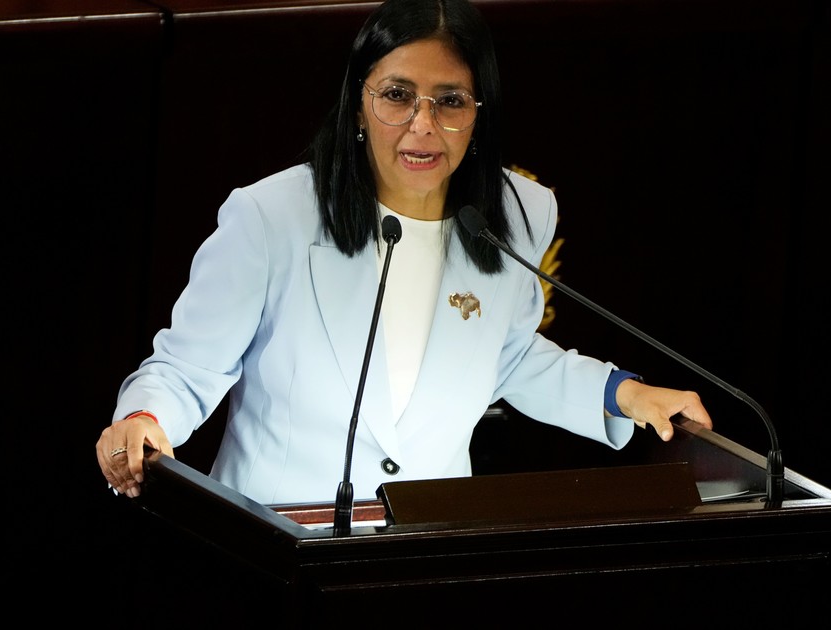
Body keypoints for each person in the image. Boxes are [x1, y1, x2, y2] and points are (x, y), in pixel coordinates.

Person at [97, 0, 712, 506]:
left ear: (478, 113)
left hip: (422, 546)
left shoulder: (518, 213)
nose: (423, 125)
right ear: (359, 105)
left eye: (450, 100)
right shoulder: (271, 217)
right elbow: (187, 369)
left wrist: (624, 395)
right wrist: (145, 421)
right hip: (280, 542)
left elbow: (507, 354)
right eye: (397, 95)